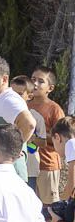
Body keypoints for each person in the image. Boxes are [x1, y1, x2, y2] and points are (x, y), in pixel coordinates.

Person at [30, 66, 66, 206]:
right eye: (33, 79)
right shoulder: (24, 104)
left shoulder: (54, 109)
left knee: (48, 207)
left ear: (50, 88)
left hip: (47, 164)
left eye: (41, 81)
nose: (35, 84)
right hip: (27, 164)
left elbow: (62, 137)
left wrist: (38, 136)